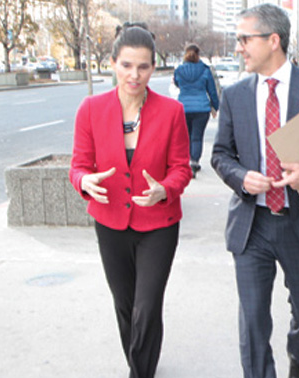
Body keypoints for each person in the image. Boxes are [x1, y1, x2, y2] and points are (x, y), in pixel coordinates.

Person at [210, 4, 299, 378]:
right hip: (252, 224)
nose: (239, 47)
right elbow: (221, 154)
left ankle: (297, 352)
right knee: (253, 321)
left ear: (273, 40)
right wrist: (241, 177)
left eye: (245, 39)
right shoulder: (235, 94)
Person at [69, 22, 192, 378]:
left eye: (142, 66)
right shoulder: (90, 109)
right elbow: (78, 165)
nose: (134, 75)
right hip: (110, 222)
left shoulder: (172, 112)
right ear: (112, 63)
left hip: (159, 223)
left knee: (147, 307)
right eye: (126, 65)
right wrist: (84, 180)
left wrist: (164, 189)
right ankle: (141, 365)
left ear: (154, 67)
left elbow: (181, 168)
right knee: (125, 307)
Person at [173, 43, 220, 178]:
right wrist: (214, 106)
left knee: (185, 136)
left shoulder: (179, 70)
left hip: (183, 107)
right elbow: (212, 90)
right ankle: (194, 161)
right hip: (201, 107)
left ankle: (187, 161)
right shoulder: (205, 70)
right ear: (198, 54)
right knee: (197, 137)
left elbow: (177, 83)